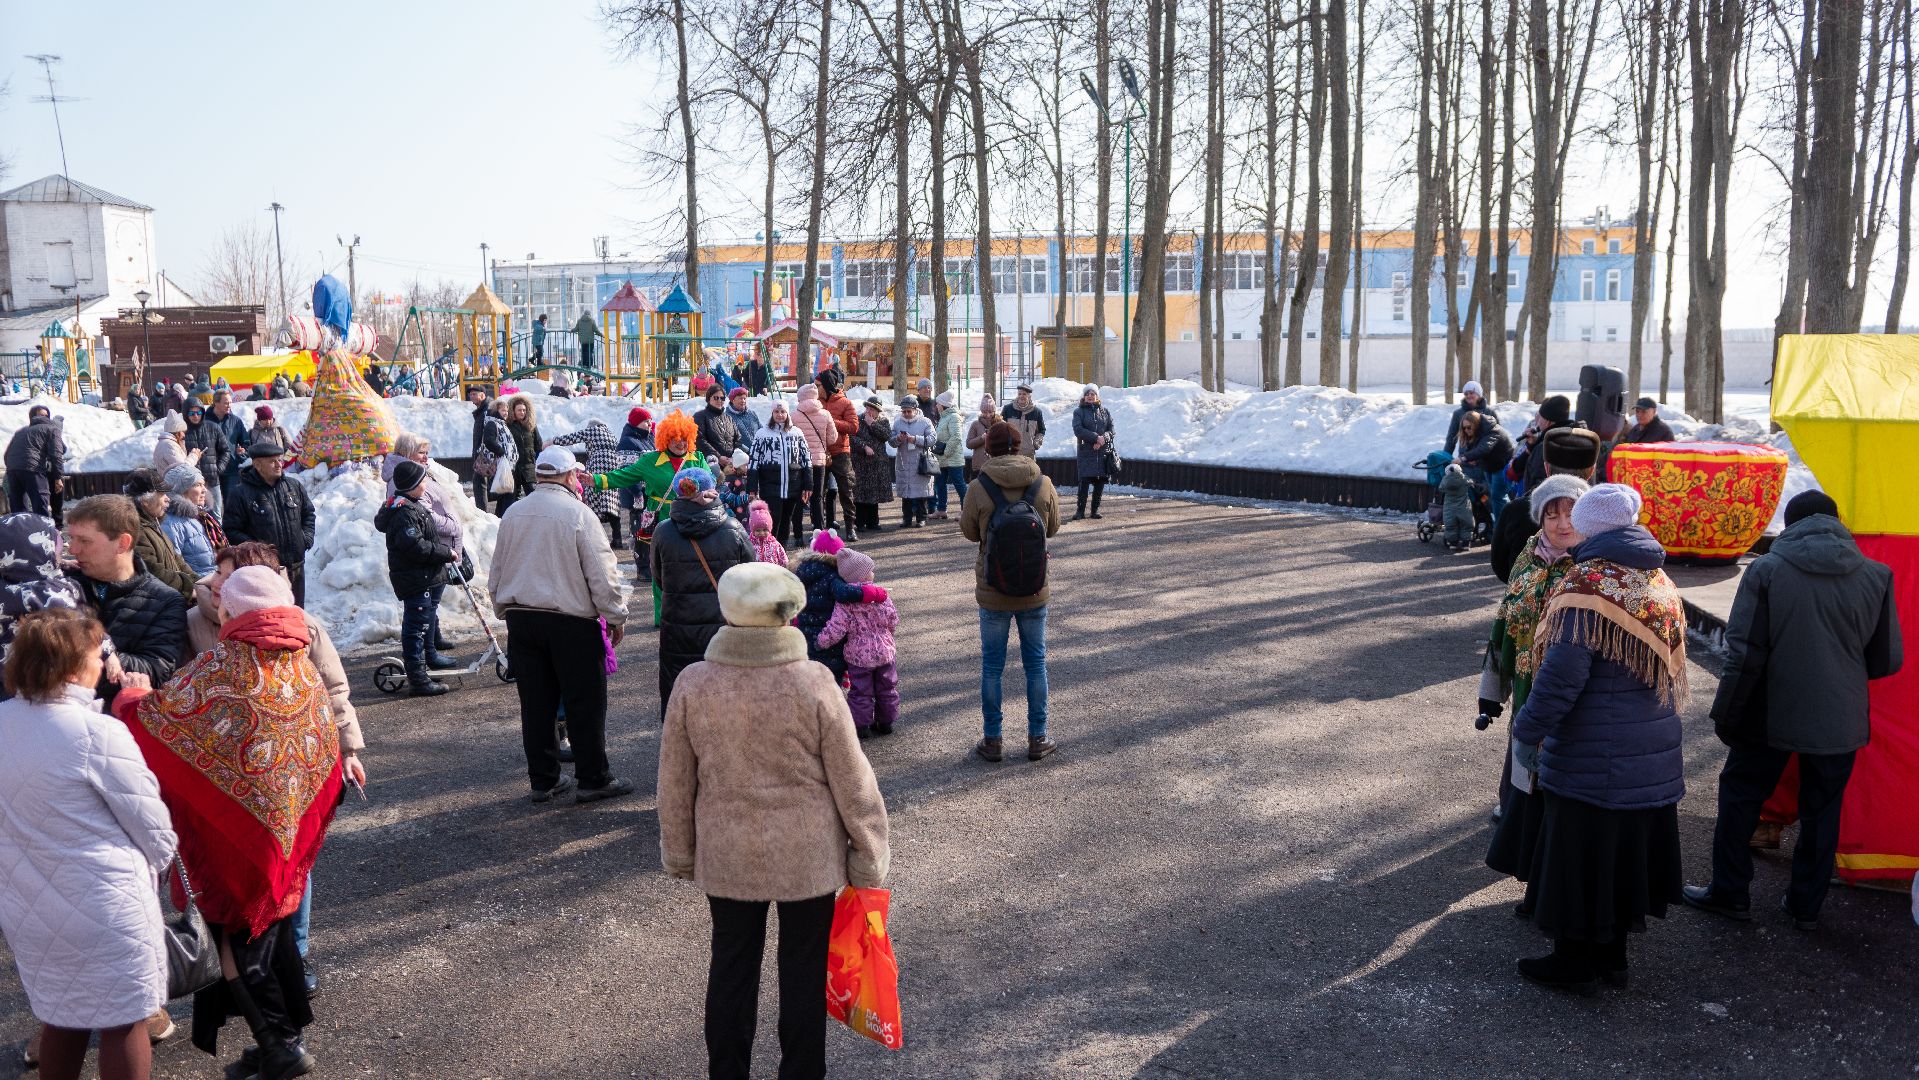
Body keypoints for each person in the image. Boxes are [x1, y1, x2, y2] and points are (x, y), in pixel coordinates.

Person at [656, 562, 890, 1080]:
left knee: (732, 968)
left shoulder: (695, 683)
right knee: (803, 972)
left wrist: (679, 849)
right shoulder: (813, 682)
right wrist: (868, 850)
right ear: (789, 614)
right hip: (807, 854)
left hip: (728, 851)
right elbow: (853, 777)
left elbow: (674, 780)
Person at [112, 566, 337, 1080]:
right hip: (284, 826)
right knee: (273, 929)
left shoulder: (222, 666)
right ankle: (281, 1039)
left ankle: (278, 1046)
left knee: (234, 935)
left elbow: (157, 723)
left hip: (237, 837)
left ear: (232, 612)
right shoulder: (300, 661)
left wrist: (130, 696)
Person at [1683, 490, 1903, 931]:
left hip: (1769, 709)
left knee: (1741, 794)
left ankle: (1730, 891)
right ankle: (1806, 903)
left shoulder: (1767, 569)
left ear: (1790, 524)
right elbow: (1886, 661)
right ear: (1836, 523)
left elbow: (1744, 653)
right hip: (1841, 716)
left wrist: (1727, 712)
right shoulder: (1877, 574)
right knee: (1823, 809)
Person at [1509, 484, 1688, 994]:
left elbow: (1562, 679)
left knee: (1581, 856)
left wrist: (1527, 731)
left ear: (1589, 527)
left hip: (1594, 752)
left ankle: (1573, 961)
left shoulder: (1587, 586)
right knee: (1618, 861)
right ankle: (1613, 957)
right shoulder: (1656, 578)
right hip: (1648, 751)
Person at [0, 609, 177, 1080]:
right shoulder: (96, 732)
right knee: (123, 1020)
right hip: (106, 902)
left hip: (28, 906)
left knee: (61, 1017)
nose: (103, 664)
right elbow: (150, 822)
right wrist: (159, 868)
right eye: (96, 656)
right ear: (72, 666)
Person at [184, 541, 363, 997]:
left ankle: (293, 957)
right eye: (221, 575)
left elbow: (332, 688)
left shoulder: (301, 625)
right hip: (223, 775)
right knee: (234, 873)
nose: (223, 585)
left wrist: (348, 750)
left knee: (293, 864)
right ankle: (237, 971)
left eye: (236, 576)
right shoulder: (191, 623)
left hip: (287, 769)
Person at [491, 446, 633, 804]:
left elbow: (497, 571)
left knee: (535, 704)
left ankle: (544, 780)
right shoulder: (578, 514)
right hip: (571, 621)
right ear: (571, 476)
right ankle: (593, 777)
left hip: (522, 619)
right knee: (584, 702)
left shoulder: (513, 514)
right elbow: (602, 573)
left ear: (539, 475)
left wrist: (504, 607)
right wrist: (615, 615)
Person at [1482, 474, 1591, 905]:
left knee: (1559, 798)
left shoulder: (1591, 566)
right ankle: (1534, 880)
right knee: (1525, 792)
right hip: (1529, 695)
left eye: (1570, 512)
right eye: (1552, 513)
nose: (1562, 523)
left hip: (1572, 701)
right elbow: (1505, 621)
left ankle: (1552, 891)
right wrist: (1494, 687)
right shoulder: (1529, 555)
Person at [962, 422, 1062, 762]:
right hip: (1035, 588)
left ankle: (993, 740)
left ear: (987, 448)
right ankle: (1038, 737)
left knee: (992, 666)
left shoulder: (979, 486)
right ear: (1020, 448)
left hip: (993, 588)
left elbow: (970, 533)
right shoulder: (1042, 483)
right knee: (1036, 664)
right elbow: (1053, 527)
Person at [64, 495, 189, 704]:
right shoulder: (62, 586)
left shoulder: (164, 600)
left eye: (84, 541)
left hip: (111, 721)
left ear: (122, 543)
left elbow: (157, 671)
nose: (72, 550)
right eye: (71, 539)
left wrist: (77, 654)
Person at [651, 466, 755, 712]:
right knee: (723, 689)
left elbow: (659, 579)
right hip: (723, 625)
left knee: (680, 689)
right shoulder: (733, 529)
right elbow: (750, 576)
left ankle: (681, 741)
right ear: (712, 490)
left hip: (678, 627)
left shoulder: (663, 532)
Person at [376, 458, 460, 696]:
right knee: (416, 627)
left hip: (425, 576)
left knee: (426, 620)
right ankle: (418, 678)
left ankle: (429, 658)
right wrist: (445, 553)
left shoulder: (412, 505)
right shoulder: (405, 513)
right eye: (422, 480)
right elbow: (416, 547)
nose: (425, 483)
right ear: (412, 485)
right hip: (416, 579)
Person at [1490, 426, 1601, 582]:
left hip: (1525, 599)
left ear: (1547, 468)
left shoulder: (1516, 509)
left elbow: (1500, 565)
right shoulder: (1603, 513)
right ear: (1591, 471)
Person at [817, 548, 901, 738]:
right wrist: (888, 635)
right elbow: (893, 619)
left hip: (858, 654)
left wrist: (821, 641)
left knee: (860, 691)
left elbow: (836, 628)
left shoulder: (845, 602)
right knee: (887, 687)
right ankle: (885, 722)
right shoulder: (880, 595)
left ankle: (861, 726)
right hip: (884, 651)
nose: (873, 572)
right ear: (862, 575)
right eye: (871, 570)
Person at [223, 442, 315, 606]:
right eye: (272, 461)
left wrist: (305, 539)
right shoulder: (240, 494)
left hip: (296, 566)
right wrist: (259, 553)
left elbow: (308, 514)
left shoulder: (293, 487)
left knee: (297, 612)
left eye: (279, 460)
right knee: (274, 614)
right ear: (257, 464)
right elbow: (232, 530)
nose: (279, 464)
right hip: (266, 571)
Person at [548, 419, 632, 544]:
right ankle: (617, 538)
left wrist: (553, 441)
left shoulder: (593, 430)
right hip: (613, 466)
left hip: (597, 465)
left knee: (594, 499)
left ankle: (595, 538)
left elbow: (573, 437)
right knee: (612, 501)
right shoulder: (610, 434)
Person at [121, 469, 197, 600]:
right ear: (145, 500)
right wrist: (189, 588)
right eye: (162, 494)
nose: (168, 499)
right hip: (161, 603)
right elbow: (154, 571)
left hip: (173, 597)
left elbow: (176, 558)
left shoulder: (153, 522)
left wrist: (197, 581)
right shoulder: (136, 530)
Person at [747, 401, 813, 547]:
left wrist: (808, 484)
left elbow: (806, 459)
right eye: (776, 412)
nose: (780, 415)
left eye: (783, 412)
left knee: (787, 518)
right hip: (770, 484)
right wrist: (752, 487)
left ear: (787, 413)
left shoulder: (797, 433)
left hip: (793, 484)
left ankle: (781, 549)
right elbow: (753, 461)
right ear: (772, 414)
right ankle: (769, 547)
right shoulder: (762, 434)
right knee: (773, 517)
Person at [817, 369, 862, 540]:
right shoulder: (816, 401)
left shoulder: (845, 403)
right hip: (820, 451)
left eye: (819, 385)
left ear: (827, 385)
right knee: (819, 493)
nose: (816, 388)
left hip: (841, 453)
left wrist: (831, 421)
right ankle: (821, 529)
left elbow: (853, 427)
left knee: (846, 490)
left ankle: (850, 528)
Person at [159, 466, 224, 582]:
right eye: (197, 485)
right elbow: (173, 567)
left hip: (216, 577)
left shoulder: (201, 517)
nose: (204, 489)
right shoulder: (172, 524)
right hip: (199, 585)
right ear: (181, 490)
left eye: (203, 484)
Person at [793, 383, 840, 534]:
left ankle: (798, 533)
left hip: (799, 462)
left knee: (799, 496)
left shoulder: (794, 415)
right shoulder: (825, 414)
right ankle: (819, 530)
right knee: (818, 496)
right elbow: (832, 438)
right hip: (819, 461)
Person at [5, 403, 65, 517]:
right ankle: (42, 532)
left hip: (13, 470)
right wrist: (58, 477)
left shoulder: (21, 432)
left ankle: (21, 532)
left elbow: (7, 454)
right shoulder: (53, 429)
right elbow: (56, 454)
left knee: (18, 508)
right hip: (33, 468)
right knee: (40, 504)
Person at [1070, 384, 1117, 521]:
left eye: (1093, 394)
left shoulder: (1105, 411)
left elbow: (1112, 430)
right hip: (1086, 451)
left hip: (1102, 452)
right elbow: (1078, 429)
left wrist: (1103, 439)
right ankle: (1080, 511)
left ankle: (1095, 510)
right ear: (1084, 397)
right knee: (1084, 482)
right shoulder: (1078, 412)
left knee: (1100, 482)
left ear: (1097, 396)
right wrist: (1096, 438)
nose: (1090, 396)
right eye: (1088, 394)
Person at [1457, 411, 1516, 517]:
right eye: (1464, 428)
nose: (1466, 431)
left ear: (1475, 424)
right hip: (1489, 467)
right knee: (1496, 497)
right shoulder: (1479, 432)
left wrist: (1464, 458)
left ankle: (1501, 527)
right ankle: (1504, 522)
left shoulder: (1492, 431)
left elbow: (1484, 448)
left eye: (1469, 427)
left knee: (1498, 497)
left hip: (1501, 467)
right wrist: (1475, 460)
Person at [891, 395, 937, 528]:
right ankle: (906, 518)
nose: (906, 414)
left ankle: (921, 518)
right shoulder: (898, 422)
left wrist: (916, 439)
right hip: (904, 461)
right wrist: (899, 438)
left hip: (920, 462)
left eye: (908, 411)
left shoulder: (925, 422)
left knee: (921, 493)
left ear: (915, 410)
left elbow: (932, 439)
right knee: (906, 493)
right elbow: (891, 441)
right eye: (903, 411)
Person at [851, 397, 896, 533]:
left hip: (877, 463)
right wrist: (864, 446)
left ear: (878, 411)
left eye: (872, 409)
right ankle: (859, 523)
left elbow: (887, 436)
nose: (868, 411)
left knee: (874, 494)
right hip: (861, 462)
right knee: (860, 493)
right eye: (867, 408)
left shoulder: (883, 421)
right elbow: (852, 437)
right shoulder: (858, 419)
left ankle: (873, 522)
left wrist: (872, 424)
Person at [180, 402, 231, 519]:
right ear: (185, 414)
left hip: (213, 481)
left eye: (198, 412)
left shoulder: (213, 427)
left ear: (203, 413)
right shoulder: (182, 432)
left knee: (216, 516)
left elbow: (225, 451)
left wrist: (218, 469)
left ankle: (218, 537)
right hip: (193, 484)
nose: (195, 416)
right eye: (191, 413)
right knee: (195, 516)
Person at [616, 407, 655, 552]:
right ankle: (642, 567)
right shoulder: (628, 442)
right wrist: (637, 492)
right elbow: (626, 470)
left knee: (651, 533)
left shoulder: (649, 439)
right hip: (638, 496)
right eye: (646, 422)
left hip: (651, 494)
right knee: (640, 534)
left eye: (650, 421)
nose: (649, 425)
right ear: (636, 423)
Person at [470, 388, 511, 515]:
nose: (471, 396)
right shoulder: (484, 409)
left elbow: (488, 433)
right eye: (470, 394)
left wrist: (481, 450)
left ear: (483, 395)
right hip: (487, 451)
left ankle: (482, 512)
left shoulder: (487, 410)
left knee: (480, 482)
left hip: (486, 452)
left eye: (474, 394)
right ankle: (496, 511)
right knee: (492, 482)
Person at [208, 390, 249, 512]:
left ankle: (230, 529)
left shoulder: (236, 421)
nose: (229, 405)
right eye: (226, 403)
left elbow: (246, 442)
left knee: (231, 504)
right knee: (213, 506)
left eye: (230, 402)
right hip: (210, 469)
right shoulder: (204, 420)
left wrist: (243, 452)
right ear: (216, 403)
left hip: (230, 469)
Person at [929, 391, 967, 521]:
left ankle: (966, 510)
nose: (936, 405)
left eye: (938, 403)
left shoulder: (954, 417)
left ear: (944, 404)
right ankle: (941, 510)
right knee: (940, 484)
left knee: (959, 485)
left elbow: (956, 437)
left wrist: (946, 452)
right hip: (942, 458)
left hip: (952, 458)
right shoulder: (944, 417)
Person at [505, 395, 542, 504]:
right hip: (513, 467)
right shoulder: (508, 425)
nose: (522, 412)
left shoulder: (531, 425)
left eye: (524, 410)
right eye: (519, 410)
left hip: (528, 466)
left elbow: (538, 444)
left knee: (533, 495)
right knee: (513, 497)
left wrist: (536, 459)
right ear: (513, 411)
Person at [1444, 380, 1498, 455]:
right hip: (1465, 457)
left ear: (1479, 395)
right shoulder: (1458, 414)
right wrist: (1445, 456)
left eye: (1471, 393)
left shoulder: (1490, 412)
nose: (1468, 396)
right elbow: (1451, 438)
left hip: (1485, 456)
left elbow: (1497, 435)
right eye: (1466, 394)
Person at [694, 384, 741, 461]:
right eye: (716, 398)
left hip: (731, 463)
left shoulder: (728, 418)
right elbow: (699, 440)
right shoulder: (700, 416)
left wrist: (735, 455)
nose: (719, 400)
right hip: (711, 464)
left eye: (722, 398)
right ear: (709, 399)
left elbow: (738, 439)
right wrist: (718, 457)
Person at [1000, 383, 1047, 457]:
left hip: (1028, 454)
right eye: (1019, 394)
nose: (1021, 396)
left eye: (1024, 394)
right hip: (1010, 453)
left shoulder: (1037, 412)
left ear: (1029, 396)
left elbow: (1041, 431)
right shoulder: (1007, 409)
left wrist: (1036, 443)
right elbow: (1000, 429)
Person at [1439, 460, 1474, 551]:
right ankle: (1466, 543)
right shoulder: (1463, 479)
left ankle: (1453, 544)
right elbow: (1471, 482)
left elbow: (1440, 488)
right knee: (1466, 524)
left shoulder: (1445, 480)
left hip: (1450, 508)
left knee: (1450, 525)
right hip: (1464, 506)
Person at [965, 393, 998, 479]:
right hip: (979, 466)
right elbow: (968, 444)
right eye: (984, 412)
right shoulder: (975, 424)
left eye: (990, 412)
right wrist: (981, 438)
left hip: (996, 465)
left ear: (994, 411)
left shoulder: (1000, 424)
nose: (987, 415)